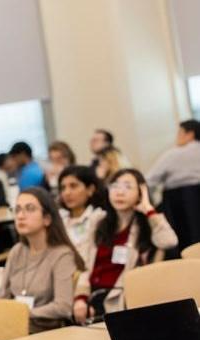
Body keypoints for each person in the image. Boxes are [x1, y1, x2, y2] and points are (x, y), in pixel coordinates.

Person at [73, 170, 178, 321]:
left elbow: (169, 241)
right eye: (115, 186)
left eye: (128, 187)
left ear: (141, 193)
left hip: (121, 300)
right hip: (91, 298)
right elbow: (85, 266)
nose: (119, 192)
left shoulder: (145, 225)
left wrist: (148, 209)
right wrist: (80, 298)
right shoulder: (98, 221)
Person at [0, 187, 85, 333]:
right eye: (17, 209)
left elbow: (63, 307)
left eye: (29, 209)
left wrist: (22, 313)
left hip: (47, 334)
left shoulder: (62, 254)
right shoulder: (17, 251)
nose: (20, 216)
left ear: (47, 219)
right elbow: (2, 297)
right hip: (15, 329)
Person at [147, 120, 200, 256]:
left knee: (186, 240)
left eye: (179, 133)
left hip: (180, 202)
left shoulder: (174, 154)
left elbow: (151, 179)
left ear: (189, 134)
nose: (177, 137)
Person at [58, 165, 106, 262]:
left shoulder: (100, 218)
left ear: (90, 190)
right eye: (63, 188)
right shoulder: (59, 219)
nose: (67, 193)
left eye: (73, 186)